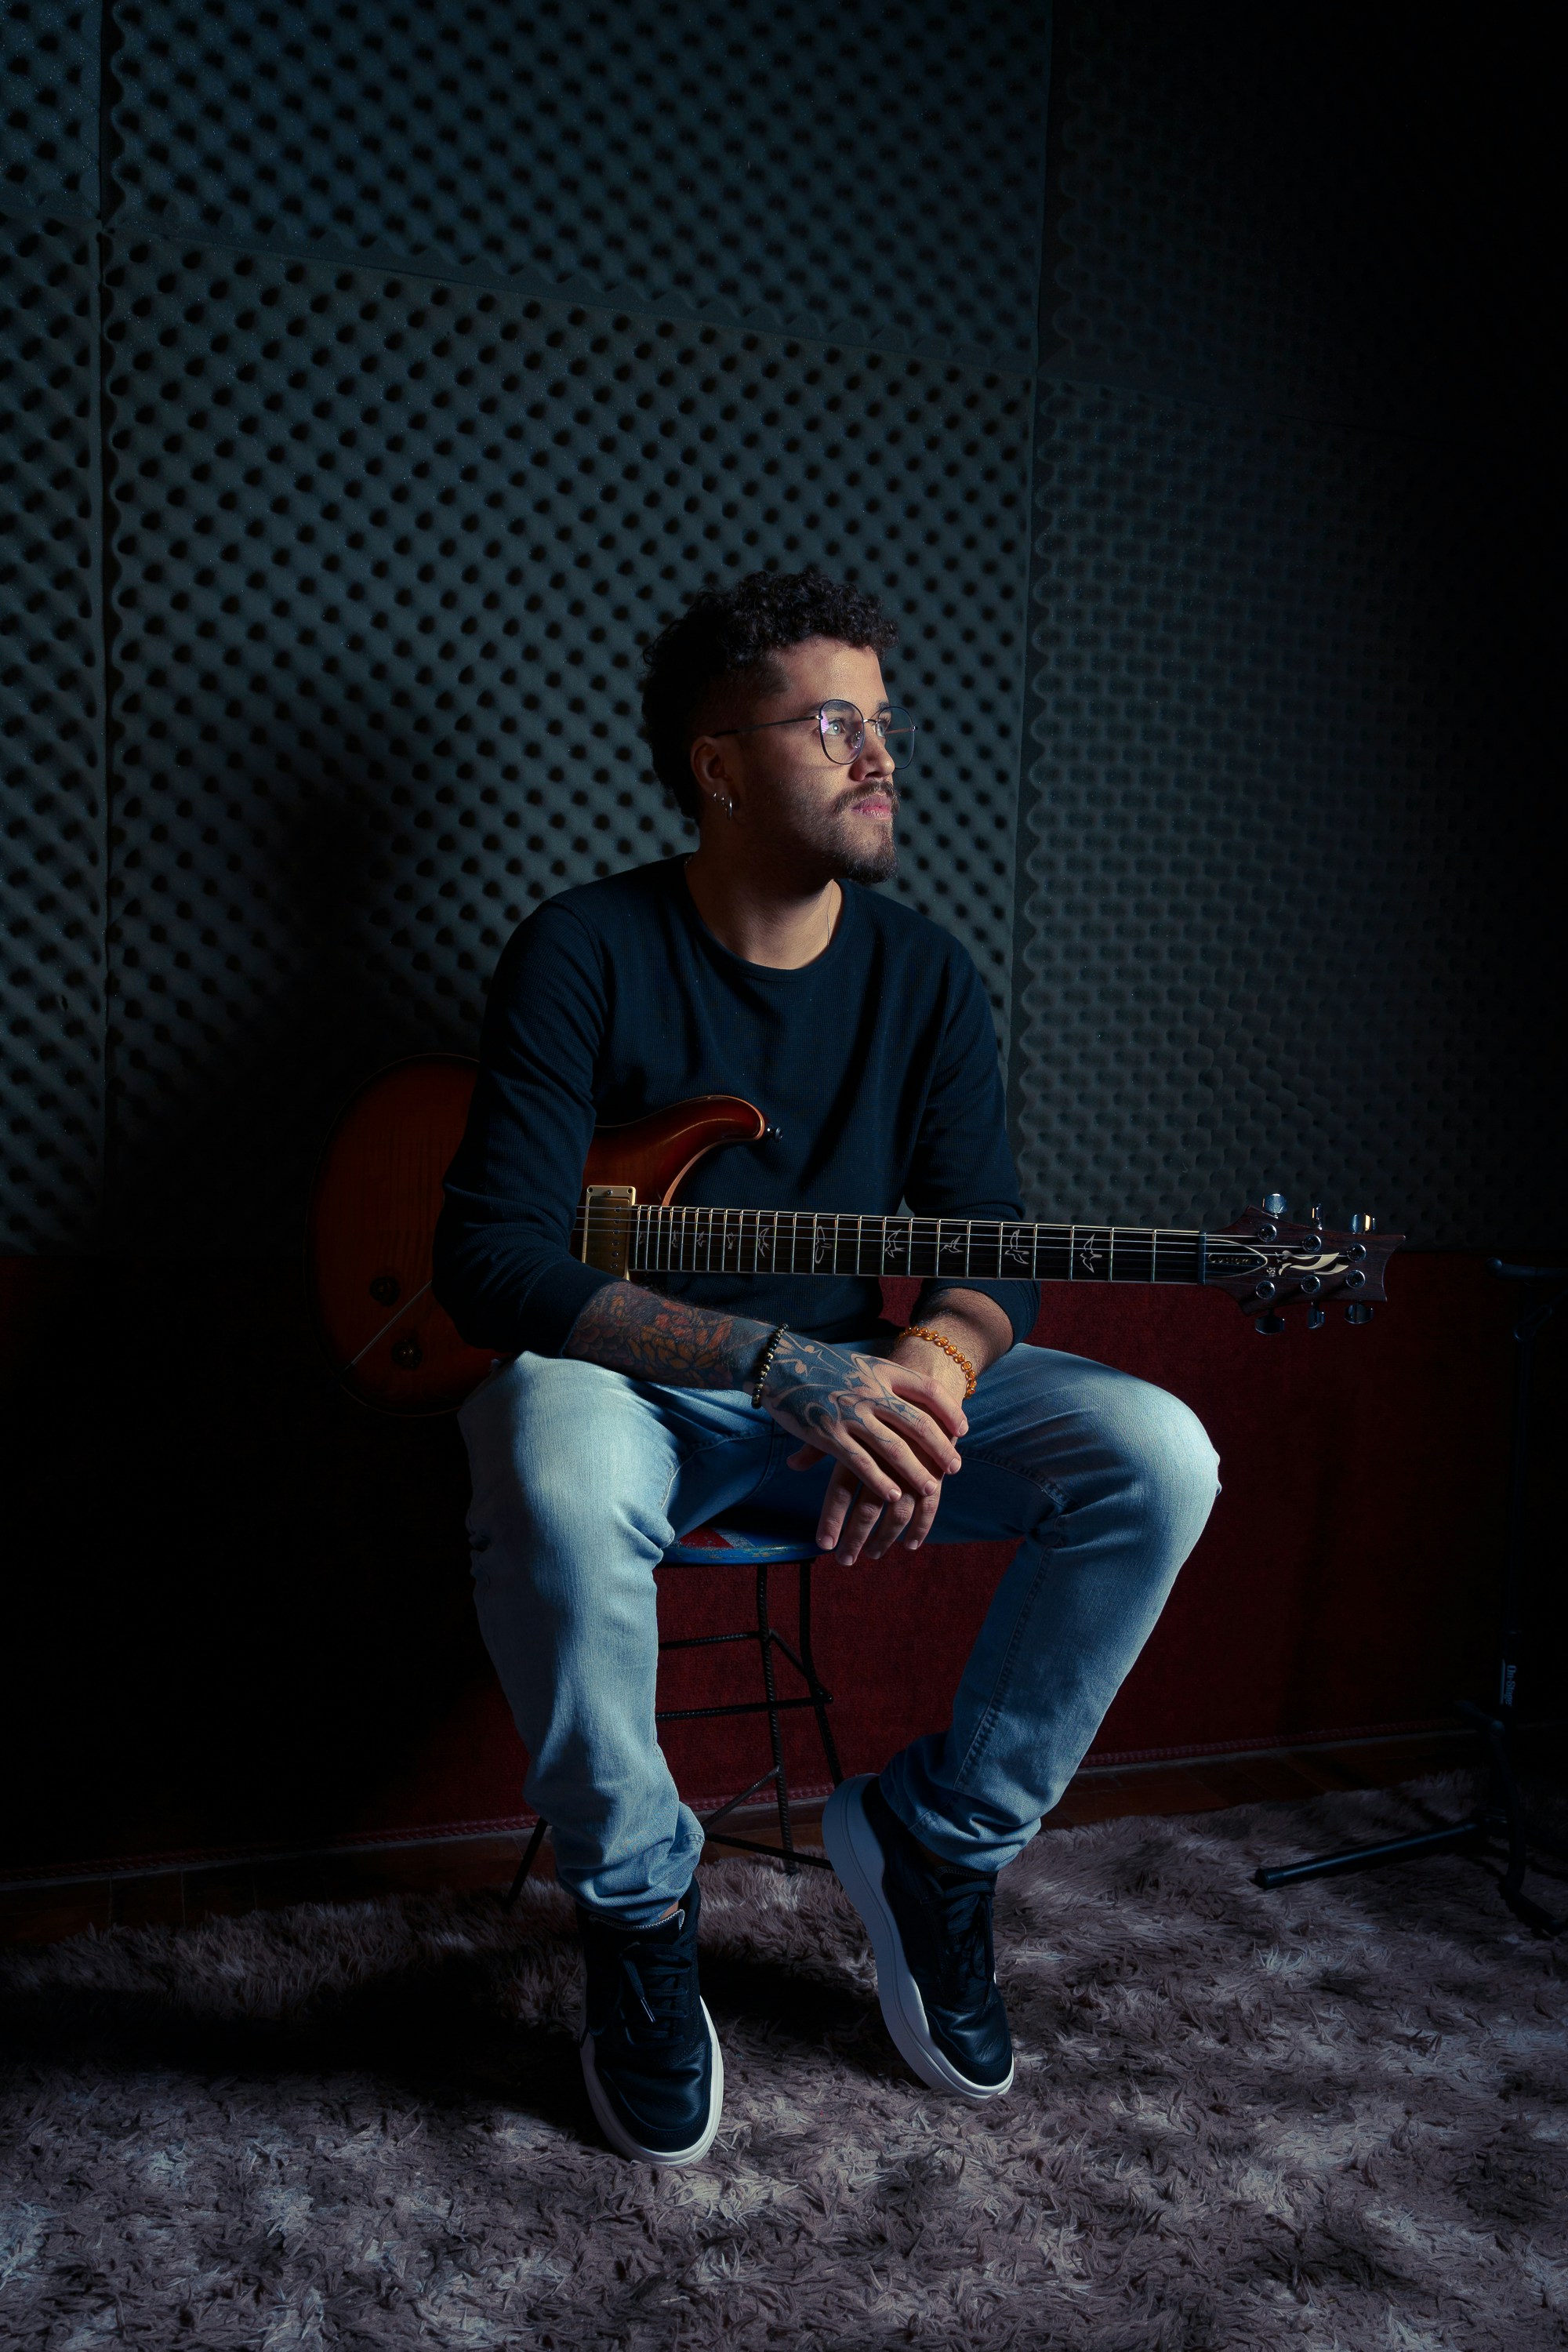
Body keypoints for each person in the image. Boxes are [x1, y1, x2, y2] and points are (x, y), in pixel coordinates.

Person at [434, 568, 1219, 2165]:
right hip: (644, 1386)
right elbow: (492, 1262)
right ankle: (639, 1902)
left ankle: (938, 1841)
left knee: (1161, 1455)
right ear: (720, 765)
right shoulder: (583, 948)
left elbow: (989, 1235)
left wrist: (928, 1352)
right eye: (835, 726)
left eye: (884, 725)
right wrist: (775, 1362)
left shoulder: (924, 973)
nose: (880, 760)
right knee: (547, 1462)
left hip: (859, 1389)